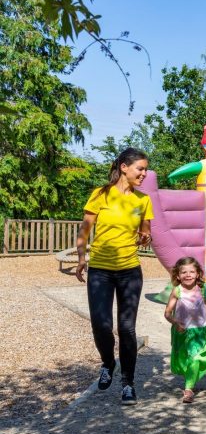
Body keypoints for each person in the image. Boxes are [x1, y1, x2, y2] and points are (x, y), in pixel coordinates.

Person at [75, 147, 154, 405]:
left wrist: (146, 237)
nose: (144, 174)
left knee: (127, 328)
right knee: (101, 324)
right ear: (124, 167)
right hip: (100, 270)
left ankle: (128, 384)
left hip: (130, 270)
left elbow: (146, 232)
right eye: (140, 169)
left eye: (145, 170)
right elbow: (85, 230)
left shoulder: (143, 200)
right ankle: (108, 363)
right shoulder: (101, 194)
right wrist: (81, 258)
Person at [164, 257, 206, 403]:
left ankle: (189, 385)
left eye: (192, 272)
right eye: (184, 272)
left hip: (200, 331)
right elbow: (167, 313)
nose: (188, 275)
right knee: (187, 360)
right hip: (184, 331)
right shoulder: (177, 291)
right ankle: (189, 387)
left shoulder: (201, 289)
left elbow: (204, 304)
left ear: (198, 274)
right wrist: (175, 323)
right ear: (178, 275)